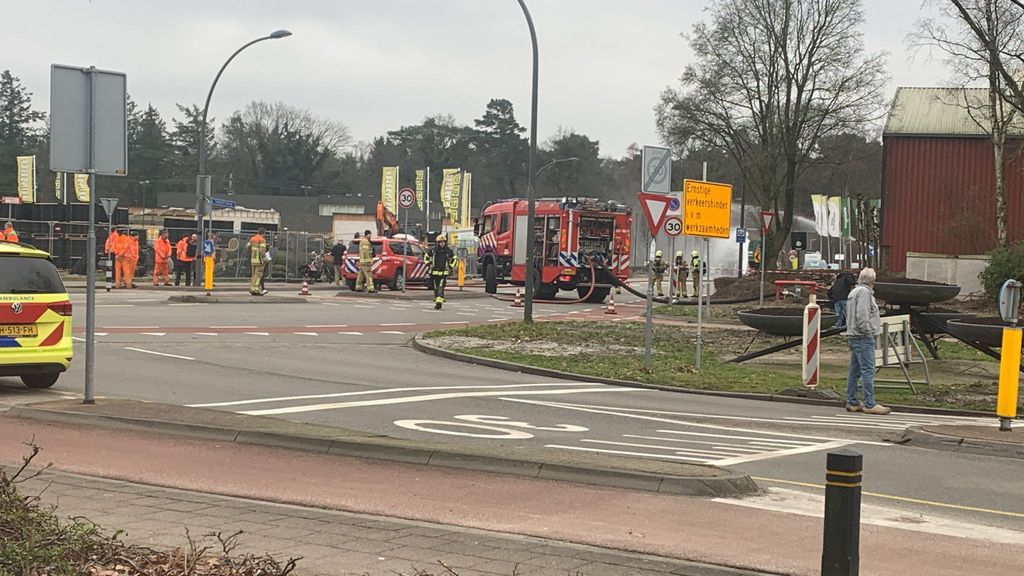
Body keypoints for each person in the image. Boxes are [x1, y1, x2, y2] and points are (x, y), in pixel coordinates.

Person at [845, 267, 890, 415]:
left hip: (853, 335)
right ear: (872, 281)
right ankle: (870, 403)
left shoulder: (854, 292)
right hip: (863, 337)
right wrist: (868, 332)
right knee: (868, 370)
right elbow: (862, 315)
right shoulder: (865, 293)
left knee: (855, 370)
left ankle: (852, 401)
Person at [425, 234, 457, 308]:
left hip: (443, 272)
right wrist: (429, 264)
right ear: (437, 243)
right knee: (435, 287)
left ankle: (439, 301)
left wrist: (450, 266)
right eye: (441, 242)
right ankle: (438, 300)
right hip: (434, 272)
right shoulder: (433, 250)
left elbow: (454, 258)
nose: (442, 243)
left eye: (443, 242)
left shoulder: (448, 250)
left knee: (440, 286)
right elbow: (426, 257)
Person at [248, 228, 268, 296]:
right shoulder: (262, 240)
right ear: (263, 233)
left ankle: (252, 288)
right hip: (259, 260)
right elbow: (262, 251)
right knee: (258, 275)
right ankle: (256, 289)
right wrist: (265, 259)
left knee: (253, 275)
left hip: (253, 260)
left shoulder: (252, 239)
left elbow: (248, 246)